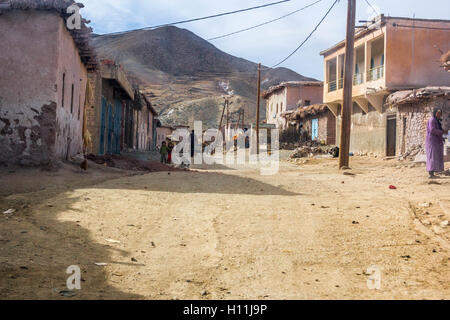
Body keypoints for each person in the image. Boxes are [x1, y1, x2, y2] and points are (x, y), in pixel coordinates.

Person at [426, 108, 445, 178]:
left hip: (436, 141)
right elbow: (432, 130)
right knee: (432, 156)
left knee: (435, 156)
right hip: (432, 141)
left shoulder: (437, 120)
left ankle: (434, 172)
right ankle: (431, 173)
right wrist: (441, 132)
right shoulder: (432, 120)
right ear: (435, 113)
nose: (439, 115)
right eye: (438, 113)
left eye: (440, 113)